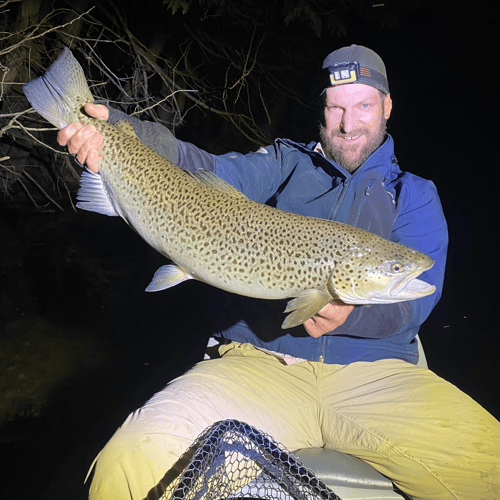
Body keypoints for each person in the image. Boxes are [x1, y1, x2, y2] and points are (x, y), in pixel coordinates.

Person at [58, 45, 500, 499]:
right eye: (336, 107)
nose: (349, 124)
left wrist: (352, 316)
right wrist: (123, 131)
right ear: (322, 109)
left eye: (364, 105)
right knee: (131, 459)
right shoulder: (284, 164)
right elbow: (202, 169)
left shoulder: (414, 195)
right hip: (260, 366)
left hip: (376, 378)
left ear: (387, 107)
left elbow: (414, 302)